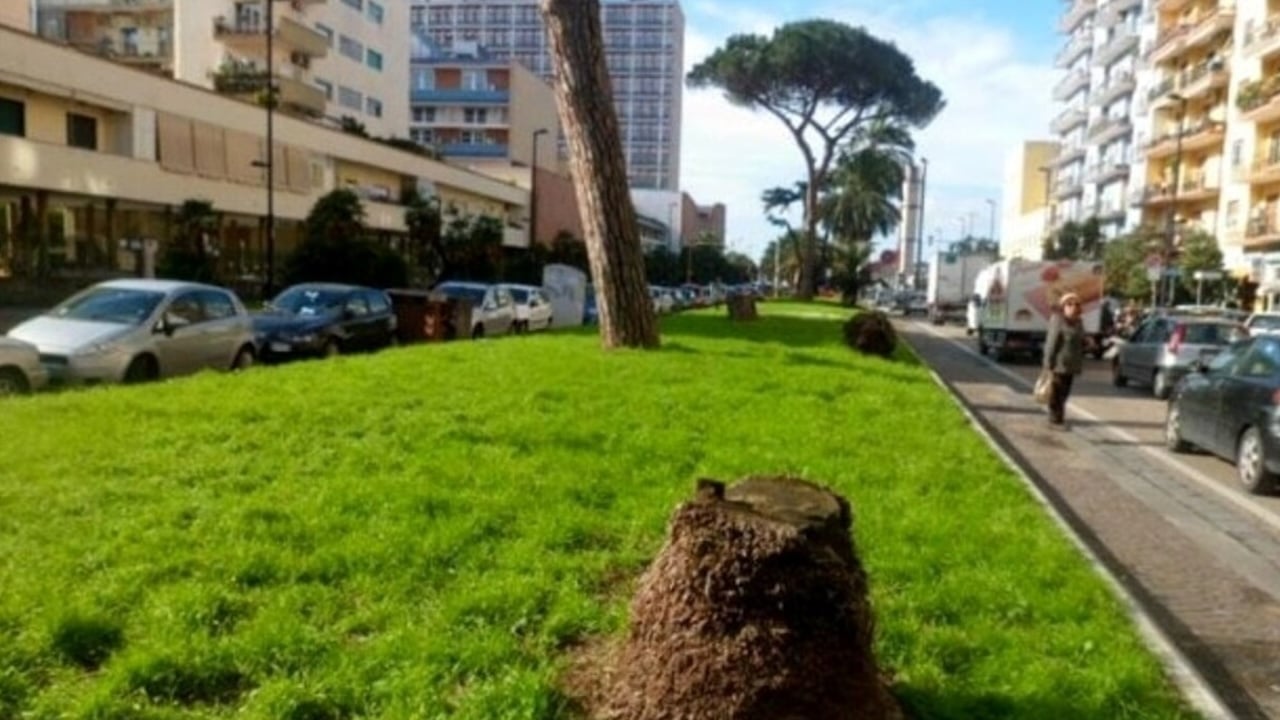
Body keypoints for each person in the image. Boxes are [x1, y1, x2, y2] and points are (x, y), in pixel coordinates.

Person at [1043, 292, 1086, 429]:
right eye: (1069, 304)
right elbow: (1051, 343)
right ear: (1063, 307)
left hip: (1072, 365)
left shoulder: (1078, 322)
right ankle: (1055, 420)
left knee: (1065, 392)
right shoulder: (1057, 320)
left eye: (1076, 304)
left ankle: (1058, 418)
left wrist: (1088, 342)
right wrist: (1048, 364)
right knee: (1057, 392)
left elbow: (1079, 340)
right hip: (1059, 364)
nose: (1073, 307)